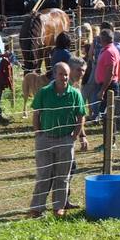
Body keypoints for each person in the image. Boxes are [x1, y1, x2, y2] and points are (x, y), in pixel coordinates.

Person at [28, 62, 88, 219]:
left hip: (65, 140)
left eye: (66, 74)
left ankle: (59, 207)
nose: (64, 77)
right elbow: (36, 114)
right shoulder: (44, 92)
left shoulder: (75, 94)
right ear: (54, 75)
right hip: (45, 139)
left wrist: (74, 137)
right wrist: (38, 133)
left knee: (62, 176)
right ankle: (37, 208)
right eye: (61, 74)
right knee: (44, 174)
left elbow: (81, 116)